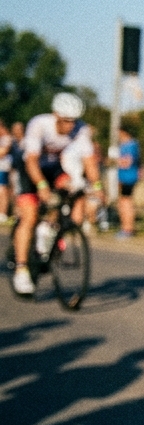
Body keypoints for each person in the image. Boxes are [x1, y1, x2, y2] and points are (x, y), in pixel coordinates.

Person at [11, 93, 99, 295]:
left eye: (73, 121)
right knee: (30, 214)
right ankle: (21, 269)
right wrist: (41, 185)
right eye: (65, 120)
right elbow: (31, 161)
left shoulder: (81, 129)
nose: (70, 125)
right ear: (55, 115)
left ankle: (50, 232)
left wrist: (98, 186)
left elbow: (89, 162)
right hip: (30, 168)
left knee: (74, 190)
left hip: (53, 167)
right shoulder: (40, 124)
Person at [115, 126, 141, 238]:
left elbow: (128, 162)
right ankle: (125, 227)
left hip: (128, 177)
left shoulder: (130, 145)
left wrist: (114, 161)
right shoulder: (130, 144)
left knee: (126, 202)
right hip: (125, 177)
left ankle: (128, 228)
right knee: (123, 201)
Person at [0, 121, 13, 225]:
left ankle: (3, 214)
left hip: (3, 168)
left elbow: (3, 152)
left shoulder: (6, 138)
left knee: (3, 191)